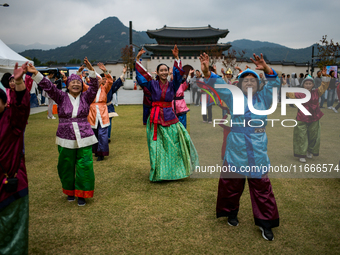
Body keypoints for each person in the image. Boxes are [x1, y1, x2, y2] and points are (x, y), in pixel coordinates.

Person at [199, 52, 280, 241]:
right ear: (240, 84)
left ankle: (266, 223)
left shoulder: (265, 98)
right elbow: (219, 84)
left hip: (258, 149)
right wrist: (206, 72)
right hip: (236, 147)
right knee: (231, 184)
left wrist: (267, 69)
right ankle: (230, 212)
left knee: (261, 186)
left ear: (258, 84)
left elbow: (275, 84)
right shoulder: (233, 96)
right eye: (245, 80)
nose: (249, 83)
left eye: (253, 80)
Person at [28, 57, 99, 206]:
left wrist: (91, 71)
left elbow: (94, 86)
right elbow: (49, 87)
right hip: (65, 135)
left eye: (78, 82)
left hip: (84, 135)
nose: (75, 84)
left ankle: (82, 193)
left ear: (81, 85)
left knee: (85, 164)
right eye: (72, 82)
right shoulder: (61, 97)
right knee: (65, 164)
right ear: (67, 85)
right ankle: (69, 190)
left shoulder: (86, 97)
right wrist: (36, 74)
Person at [135, 46, 199, 182]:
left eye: (165, 70)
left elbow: (177, 75)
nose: (164, 72)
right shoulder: (151, 84)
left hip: (170, 116)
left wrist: (176, 58)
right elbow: (142, 77)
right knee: (156, 147)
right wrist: (137, 59)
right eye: (161, 70)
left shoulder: (173, 85)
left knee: (177, 142)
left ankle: (175, 170)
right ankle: (159, 173)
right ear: (157, 73)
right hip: (155, 118)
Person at [0, 62, 30, 255]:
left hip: (10, 186)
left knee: (12, 235)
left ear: (4, 104)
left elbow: (22, 106)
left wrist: (19, 82)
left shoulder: (12, 120)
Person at [82, 63, 126, 161]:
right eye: (94, 80)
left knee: (102, 133)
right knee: (94, 133)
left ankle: (102, 153)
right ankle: (96, 151)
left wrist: (105, 71)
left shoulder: (104, 88)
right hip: (92, 113)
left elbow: (110, 81)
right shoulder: (88, 89)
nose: (96, 81)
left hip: (102, 112)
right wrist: (80, 73)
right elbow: (80, 83)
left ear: (101, 80)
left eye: (98, 80)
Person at [287, 68, 330, 163]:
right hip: (302, 117)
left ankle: (309, 151)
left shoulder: (317, 92)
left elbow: (324, 86)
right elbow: (289, 93)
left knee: (313, 135)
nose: (308, 85)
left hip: (314, 117)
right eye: (306, 83)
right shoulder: (300, 93)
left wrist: (325, 76)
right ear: (303, 85)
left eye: (310, 83)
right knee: (301, 136)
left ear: (313, 84)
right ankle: (301, 154)